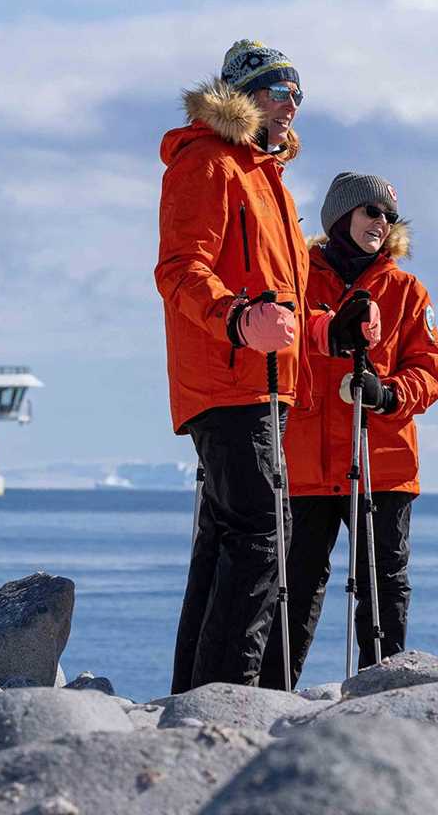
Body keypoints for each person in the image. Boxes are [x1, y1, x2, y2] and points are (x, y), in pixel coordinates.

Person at [156, 40, 378, 692]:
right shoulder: (205, 164)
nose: (292, 107)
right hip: (225, 382)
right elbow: (179, 271)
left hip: (266, 384)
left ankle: (194, 697)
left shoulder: (268, 182)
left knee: (227, 541)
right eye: (280, 92)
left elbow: (281, 305)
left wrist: (328, 330)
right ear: (243, 95)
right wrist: (234, 318)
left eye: (299, 96)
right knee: (262, 534)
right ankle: (230, 695)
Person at [261, 172, 438, 687]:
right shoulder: (297, 279)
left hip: (381, 460)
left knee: (382, 583)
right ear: (341, 216)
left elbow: (429, 371)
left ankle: (381, 688)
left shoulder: (407, 290)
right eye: (370, 211)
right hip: (308, 462)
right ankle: (274, 693)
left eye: (388, 216)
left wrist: (388, 394)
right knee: (294, 583)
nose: (380, 223)